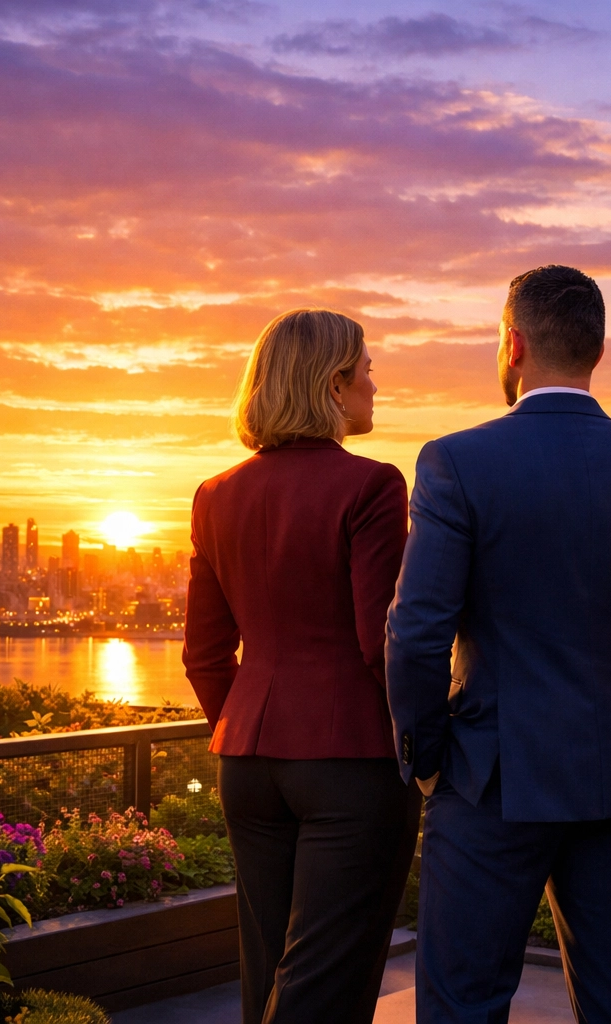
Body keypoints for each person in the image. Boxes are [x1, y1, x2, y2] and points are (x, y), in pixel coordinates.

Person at [385, 265, 611, 1023]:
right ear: (597, 349)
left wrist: (425, 759)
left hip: (490, 774)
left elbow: (416, 633)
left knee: (463, 1001)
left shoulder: (456, 461)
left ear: (513, 344)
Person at [183, 309, 421, 1024]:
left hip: (247, 764)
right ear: (334, 383)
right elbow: (380, 642)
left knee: (269, 970)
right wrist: (423, 743)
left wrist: (247, 726)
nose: (376, 386)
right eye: (367, 370)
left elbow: (204, 655)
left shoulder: (215, 494)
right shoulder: (372, 485)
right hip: (351, 761)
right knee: (327, 980)